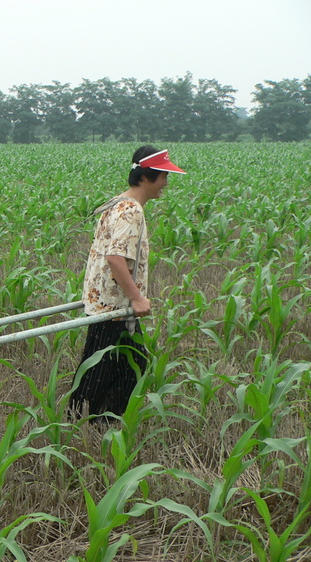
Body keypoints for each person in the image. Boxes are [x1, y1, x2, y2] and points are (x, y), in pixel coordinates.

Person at [69, 146, 185, 420]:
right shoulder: (131, 211)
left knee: (127, 366)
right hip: (114, 307)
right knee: (101, 372)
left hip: (105, 302)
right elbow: (115, 258)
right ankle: (80, 423)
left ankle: (103, 422)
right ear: (146, 178)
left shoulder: (116, 203)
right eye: (163, 177)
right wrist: (136, 298)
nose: (166, 184)